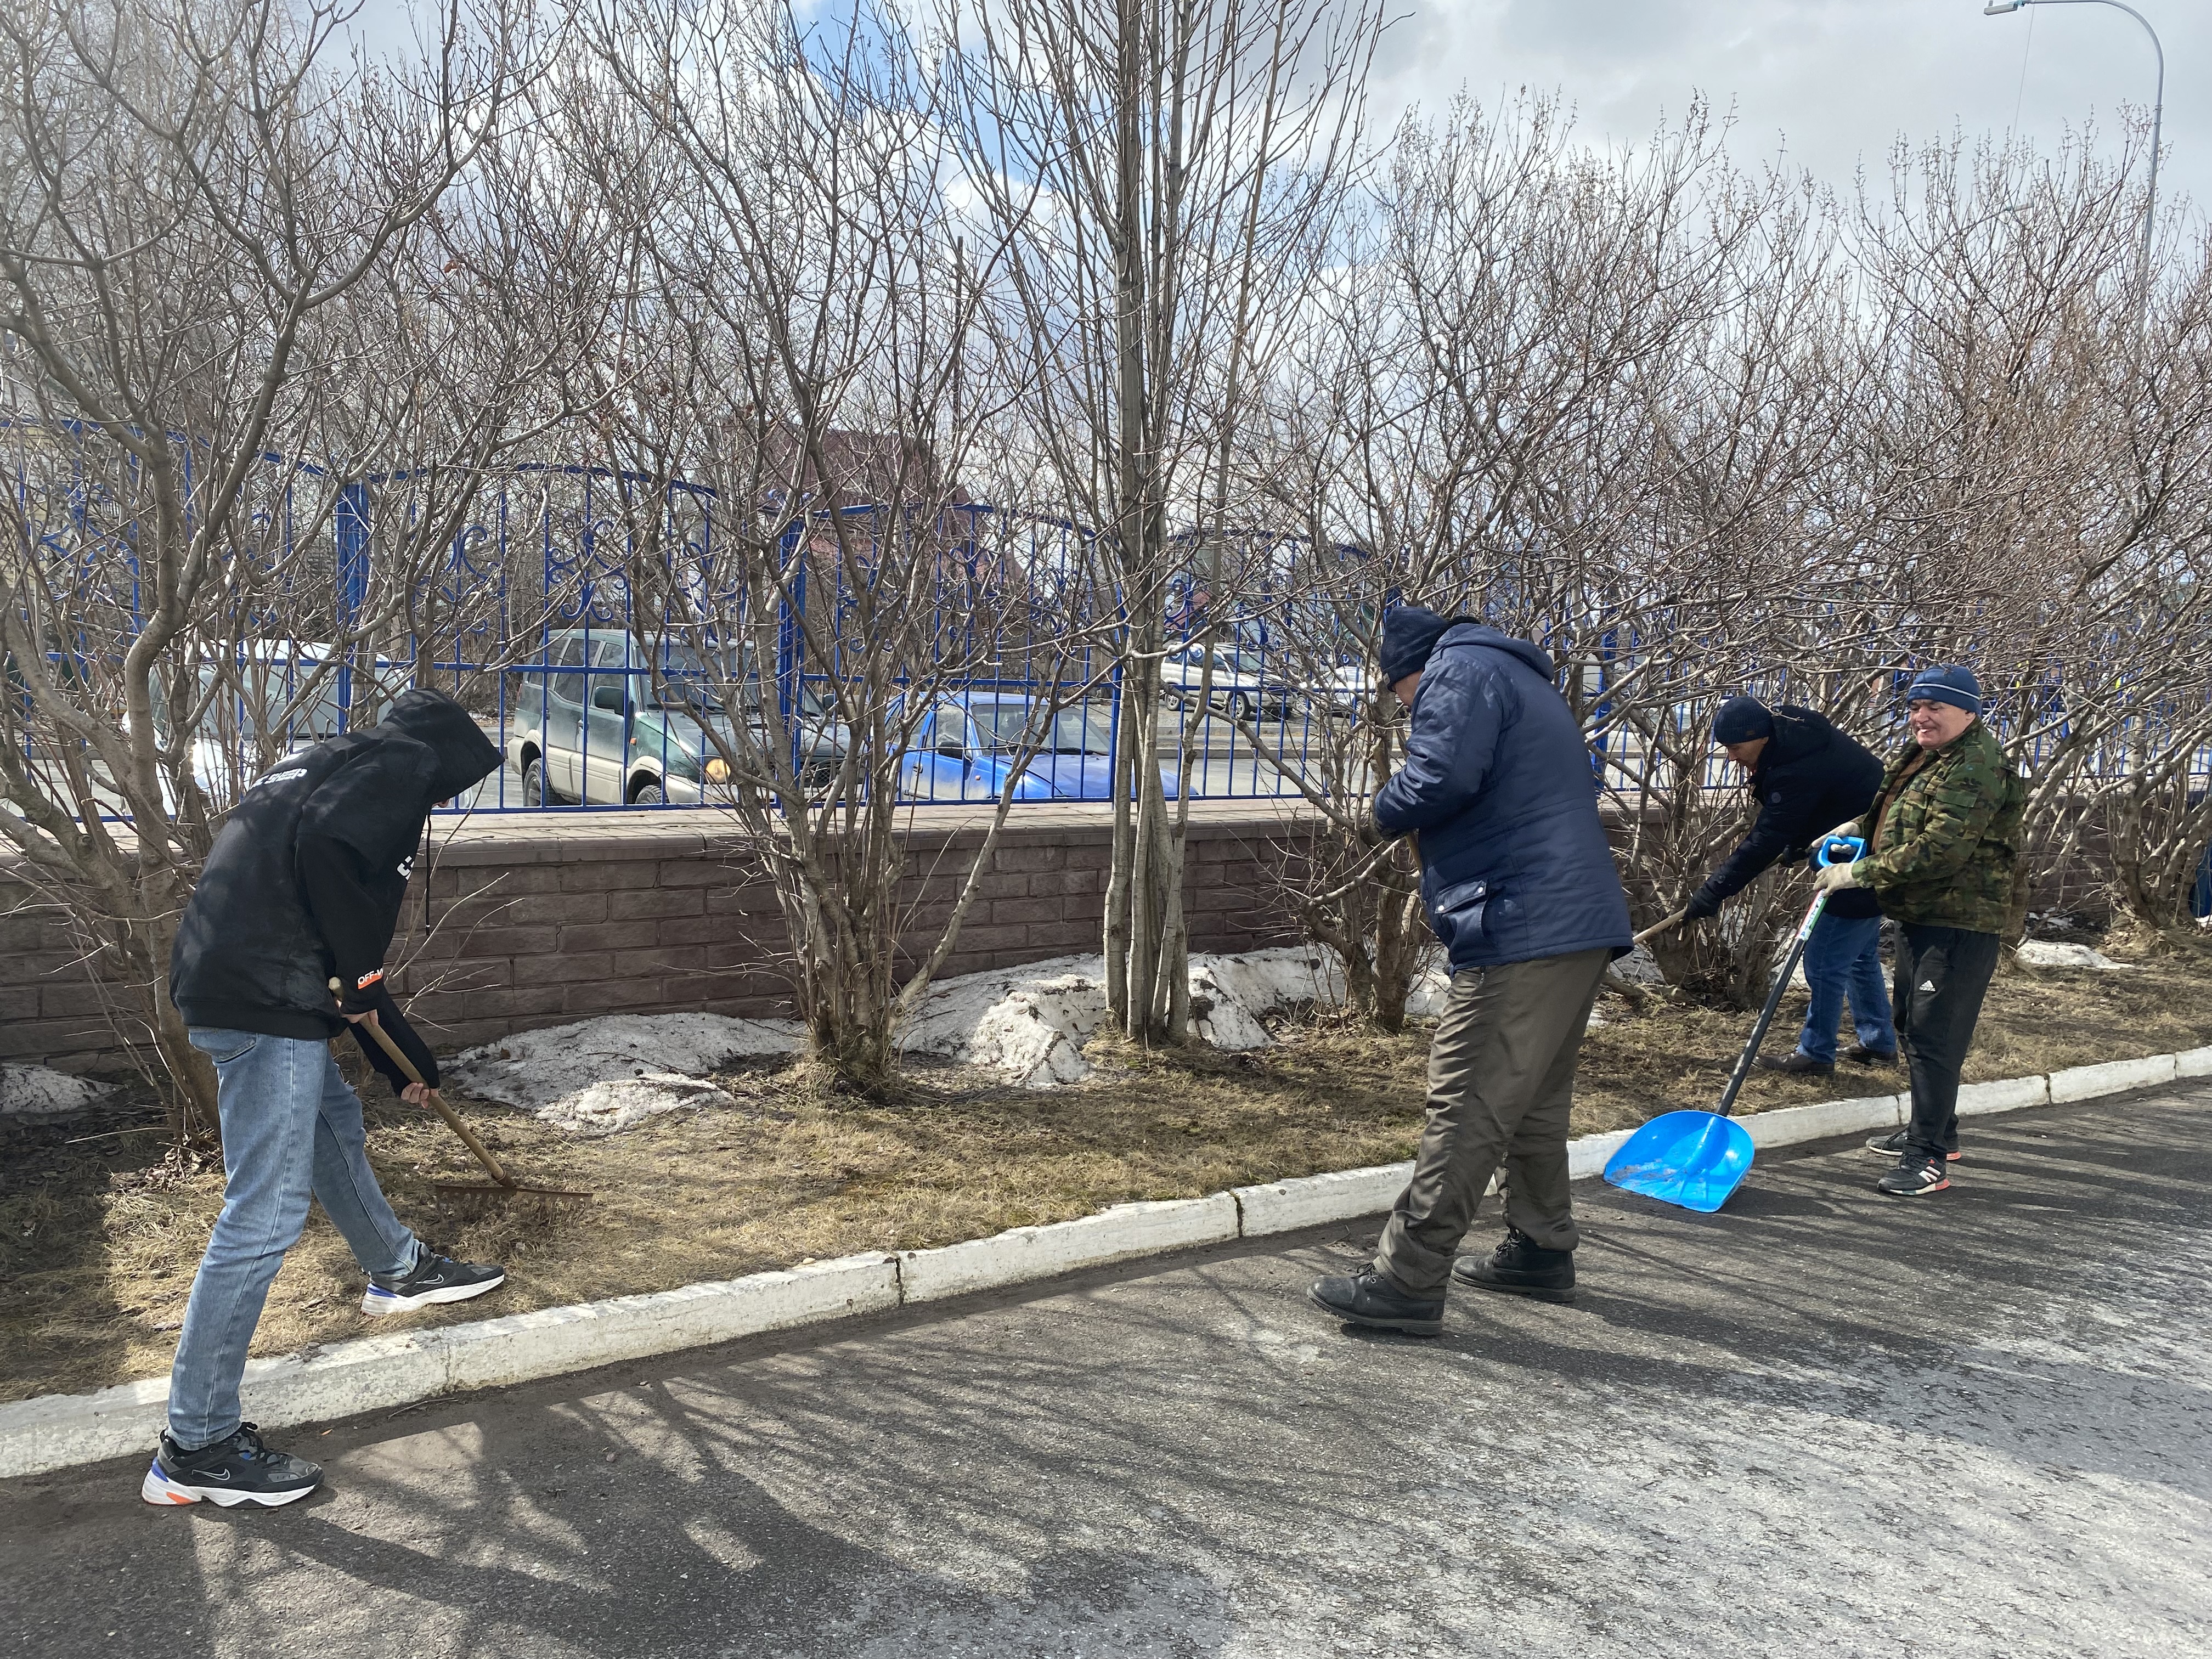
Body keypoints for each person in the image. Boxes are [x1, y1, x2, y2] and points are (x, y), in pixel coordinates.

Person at [145, 687, 509, 1507]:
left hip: (234, 981)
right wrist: (356, 977)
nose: (442, 796)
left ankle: (397, 1268)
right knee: (265, 1212)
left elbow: (327, 917)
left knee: (332, 1121)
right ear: (440, 755)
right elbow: (336, 865)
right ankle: (196, 1445)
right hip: (262, 1001)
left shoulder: (319, 762)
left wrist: (396, 1052)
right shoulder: (399, 764)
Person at [1310, 606, 1632, 1335]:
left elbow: (1440, 776)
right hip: (1574, 921)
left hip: (1521, 920)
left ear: (1408, 671)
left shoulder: (1461, 670)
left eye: (1401, 696)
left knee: (1468, 1099)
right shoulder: (1516, 674)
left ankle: (1407, 1280)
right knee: (1533, 1101)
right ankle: (1542, 1248)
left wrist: (1380, 809)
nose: (1405, 709)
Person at [1810, 665, 2025, 1197]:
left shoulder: (1976, 766)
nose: (1921, 716)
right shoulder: (1926, 755)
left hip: (1958, 923)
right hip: (1921, 915)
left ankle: (1927, 1159)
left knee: (1935, 1037)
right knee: (1912, 1024)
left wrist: (1856, 873)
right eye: (1915, 707)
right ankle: (1938, 1131)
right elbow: (1892, 811)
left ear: (1969, 713)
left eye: (1936, 708)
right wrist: (1856, 830)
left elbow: (1940, 850)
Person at [1685, 696, 1895, 1076]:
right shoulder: (1791, 737)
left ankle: (1816, 1054)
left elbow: (1765, 836)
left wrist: (1715, 890)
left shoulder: (1795, 764)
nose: (1732, 757)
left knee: (1824, 961)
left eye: (1736, 747)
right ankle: (1878, 1040)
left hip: (1864, 856)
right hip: (1868, 847)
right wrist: (1797, 844)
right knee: (1859, 956)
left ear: (1761, 737)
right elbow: (1822, 799)